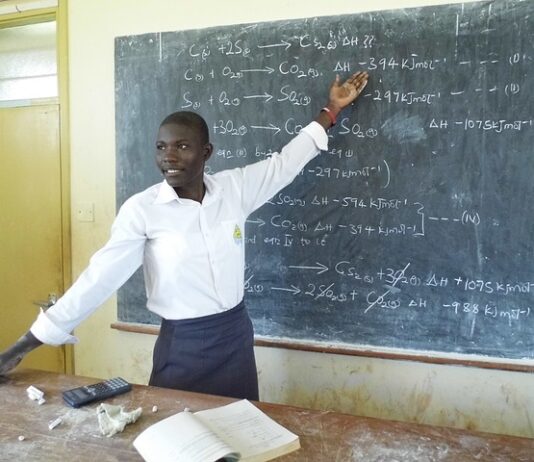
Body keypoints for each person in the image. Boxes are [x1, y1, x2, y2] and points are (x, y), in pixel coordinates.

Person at [0, 70, 369, 400]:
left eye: (182, 146)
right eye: (161, 147)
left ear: (206, 152)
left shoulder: (235, 189)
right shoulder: (143, 210)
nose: (169, 157)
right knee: (176, 432)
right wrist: (25, 344)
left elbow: (287, 162)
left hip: (235, 338)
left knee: (240, 431)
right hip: (182, 347)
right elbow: (98, 279)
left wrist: (332, 110)